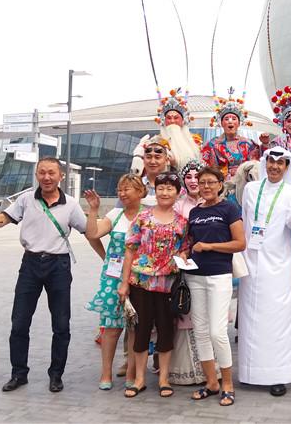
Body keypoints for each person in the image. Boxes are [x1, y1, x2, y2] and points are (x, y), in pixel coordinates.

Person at [0, 157, 87, 393]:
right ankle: (19, 374)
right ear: (37, 175)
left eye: (51, 173)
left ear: (61, 176)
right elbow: (5, 218)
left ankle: (56, 375)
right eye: (42, 173)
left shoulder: (70, 204)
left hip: (58, 266)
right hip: (30, 265)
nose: (46, 177)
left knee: (61, 324)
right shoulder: (26, 199)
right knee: (19, 322)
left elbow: (88, 229)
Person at [237, 148, 291, 396]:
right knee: (249, 319)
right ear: (265, 163)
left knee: (276, 321)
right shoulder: (250, 189)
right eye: (271, 162)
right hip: (252, 262)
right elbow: (246, 219)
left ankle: (278, 375)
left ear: (287, 167)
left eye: (281, 163)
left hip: (278, 265)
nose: (275, 166)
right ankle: (249, 372)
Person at [117, 171, 189, 399]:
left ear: (178, 193)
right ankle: (139, 378)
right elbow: (130, 250)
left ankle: (164, 378)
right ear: (154, 191)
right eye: (161, 188)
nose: (165, 192)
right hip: (141, 283)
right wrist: (124, 282)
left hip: (168, 286)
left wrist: (184, 254)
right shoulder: (143, 218)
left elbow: (186, 248)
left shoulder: (182, 222)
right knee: (140, 331)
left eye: (170, 188)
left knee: (167, 332)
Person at [187, 166, 245, 406]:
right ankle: (211, 382)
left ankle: (228, 383)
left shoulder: (229, 208)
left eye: (211, 182)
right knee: (200, 332)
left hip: (219, 276)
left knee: (217, 332)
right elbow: (191, 242)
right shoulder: (194, 212)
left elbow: (240, 244)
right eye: (202, 183)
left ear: (221, 184)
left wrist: (209, 247)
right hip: (195, 276)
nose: (207, 187)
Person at [83, 174, 146, 390]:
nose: (122, 193)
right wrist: (93, 210)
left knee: (135, 325)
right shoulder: (115, 214)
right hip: (113, 277)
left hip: (140, 276)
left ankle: (131, 371)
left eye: (127, 188)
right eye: (120, 189)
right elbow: (92, 233)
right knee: (110, 326)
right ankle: (106, 373)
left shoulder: (147, 215)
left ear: (140, 192)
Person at [170, 159, 207, 386]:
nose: (194, 181)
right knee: (184, 312)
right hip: (183, 266)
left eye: (198, 177)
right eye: (189, 177)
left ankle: (208, 368)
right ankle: (184, 370)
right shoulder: (177, 205)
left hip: (208, 265)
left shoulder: (214, 203)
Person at [201, 89, 261, 181]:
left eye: (233, 118)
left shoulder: (248, 144)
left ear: (239, 123)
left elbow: (256, 166)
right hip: (222, 185)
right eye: (226, 119)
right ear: (221, 123)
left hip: (245, 183)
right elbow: (206, 168)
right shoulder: (213, 144)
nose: (230, 121)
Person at [155, 89, 203, 169]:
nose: (172, 121)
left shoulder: (195, 142)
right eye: (169, 118)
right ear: (164, 121)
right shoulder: (156, 141)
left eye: (176, 118)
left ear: (183, 121)